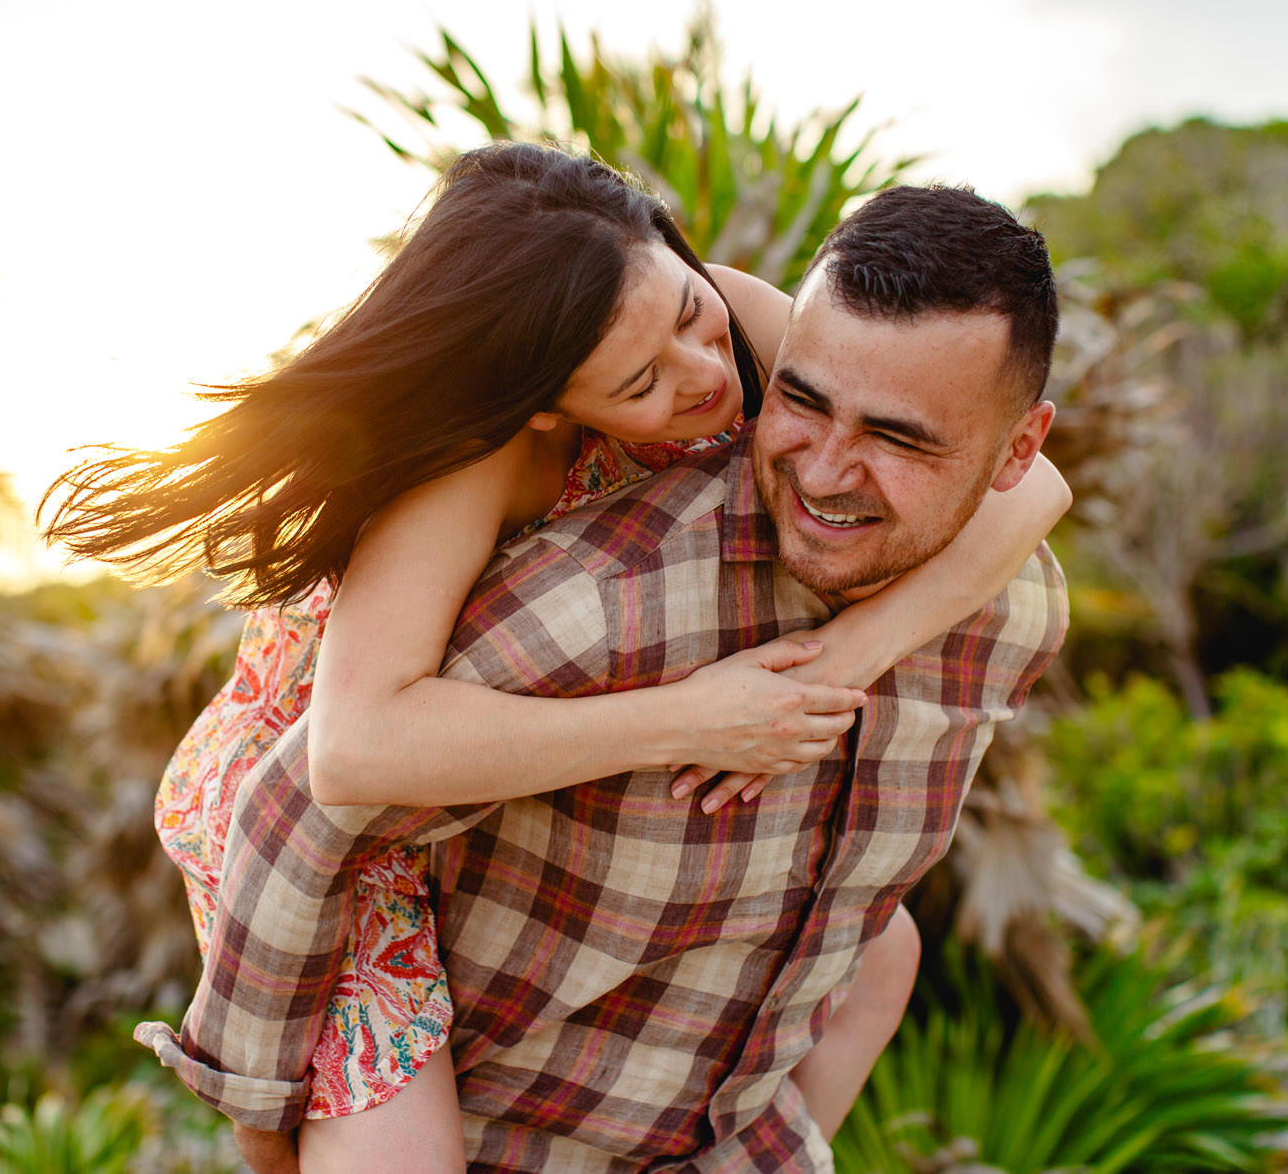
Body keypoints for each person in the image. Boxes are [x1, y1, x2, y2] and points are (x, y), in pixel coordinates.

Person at [52, 146, 1069, 1171]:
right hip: (336, 800)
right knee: (367, 1112)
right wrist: (685, 716)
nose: (711, 378)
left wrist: (839, 656)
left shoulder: (737, 316)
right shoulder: (475, 456)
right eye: (641, 383)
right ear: (547, 404)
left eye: (687, 314)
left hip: (433, 750)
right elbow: (349, 753)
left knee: (879, 949)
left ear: (672, 245)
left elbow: (1031, 494)